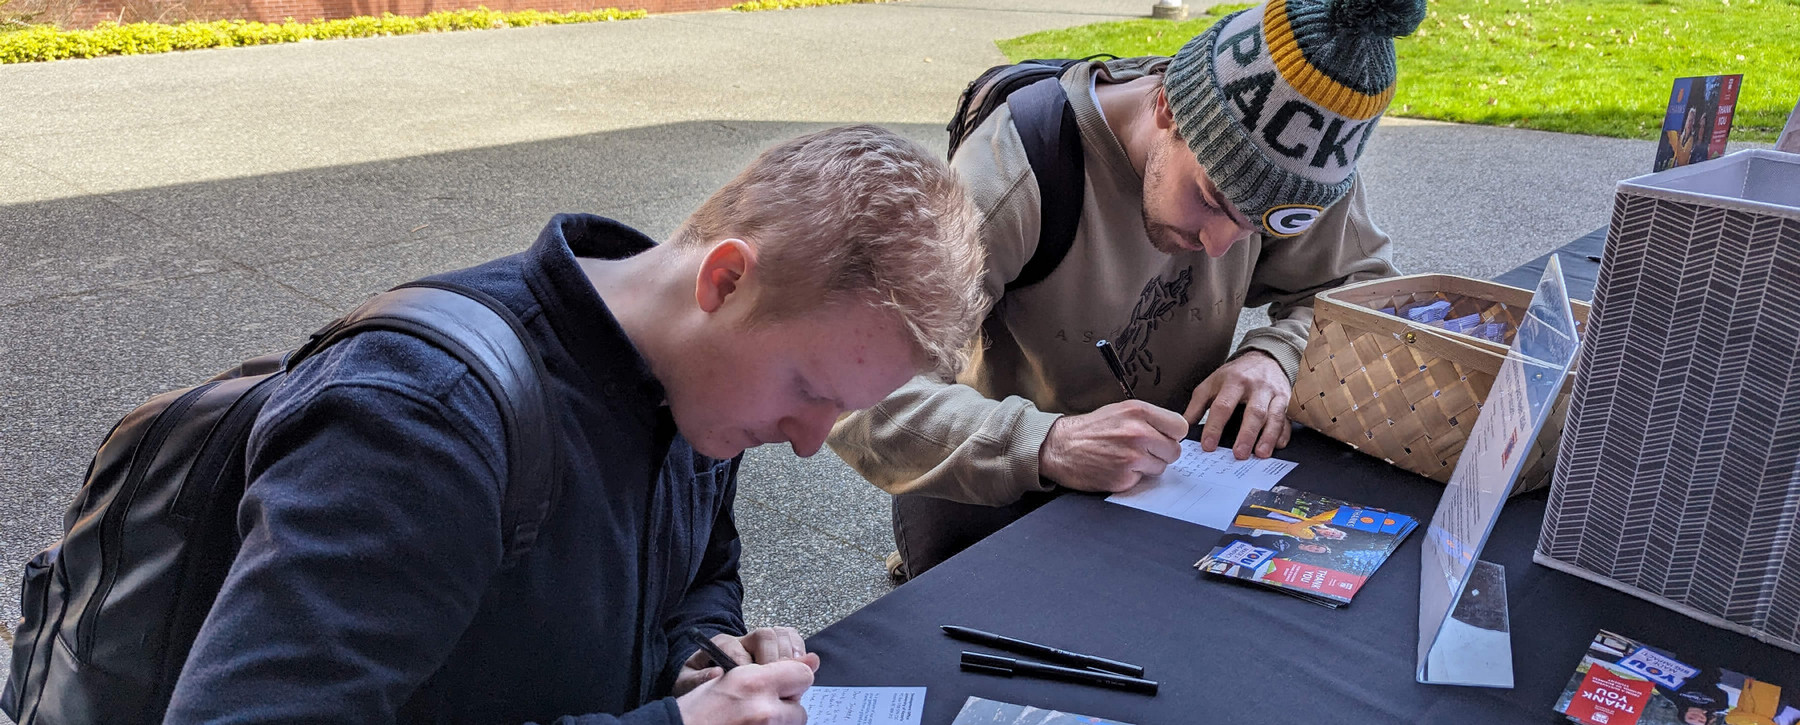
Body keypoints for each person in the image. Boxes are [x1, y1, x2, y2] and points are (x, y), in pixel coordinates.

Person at [163, 125, 986, 724]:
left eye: (841, 408)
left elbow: (702, 573)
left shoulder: (696, 388)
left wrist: (700, 657)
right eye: (808, 387)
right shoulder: (419, 421)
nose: (812, 441)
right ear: (726, 279)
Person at [828, 0, 1420, 579]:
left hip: (1166, 475)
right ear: (1166, 106)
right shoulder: (1010, 176)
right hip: (998, 486)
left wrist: (1277, 355)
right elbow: (852, 391)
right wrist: (1046, 442)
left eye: (1257, 226)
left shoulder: (1300, 160)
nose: (1220, 245)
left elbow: (1361, 293)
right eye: (1211, 201)